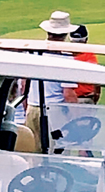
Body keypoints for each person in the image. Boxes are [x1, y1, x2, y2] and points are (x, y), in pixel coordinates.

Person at [25, 11, 79, 151]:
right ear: (65, 34)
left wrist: (27, 106)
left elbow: (24, 84)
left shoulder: (33, 53)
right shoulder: (66, 58)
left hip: (32, 107)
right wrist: (76, 119)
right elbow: (68, 94)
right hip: (54, 111)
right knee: (56, 152)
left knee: (33, 151)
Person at [70, 25, 101, 105]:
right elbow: (97, 79)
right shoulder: (90, 55)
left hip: (66, 99)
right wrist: (97, 95)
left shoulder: (63, 54)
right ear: (86, 39)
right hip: (85, 98)